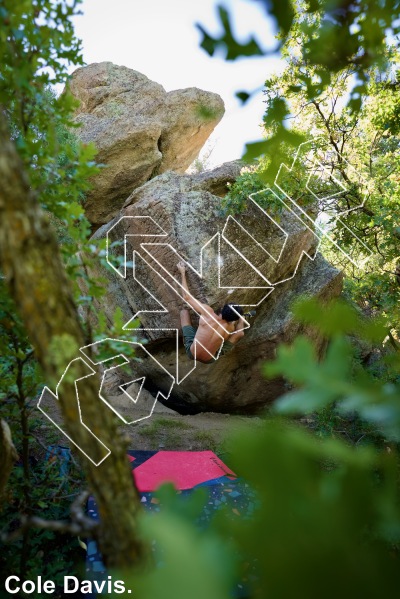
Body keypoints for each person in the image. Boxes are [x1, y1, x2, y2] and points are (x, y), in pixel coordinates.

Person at [177, 261, 245, 364]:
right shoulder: (230, 328)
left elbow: (186, 297)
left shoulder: (208, 314)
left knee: (184, 313)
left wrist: (182, 273)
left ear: (222, 309)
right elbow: (237, 331)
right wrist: (240, 319)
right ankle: (243, 319)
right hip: (209, 360)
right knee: (239, 333)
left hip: (192, 352)